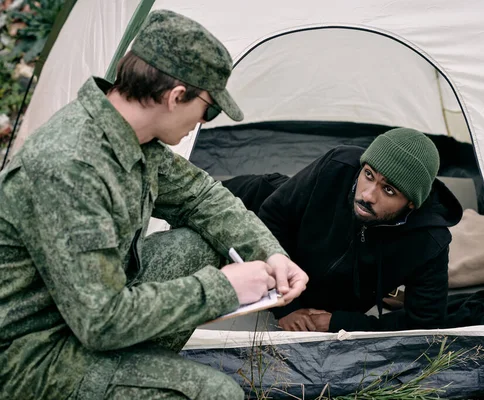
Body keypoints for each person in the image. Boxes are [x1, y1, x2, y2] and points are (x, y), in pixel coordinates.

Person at [0, 10, 308, 400]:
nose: (204, 120)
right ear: (176, 96)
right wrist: (223, 287)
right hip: (28, 353)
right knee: (216, 394)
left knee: (199, 243)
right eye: (209, 109)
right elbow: (101, 320)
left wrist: (269, 253)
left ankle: (137, 375)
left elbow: (202, 198)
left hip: (80, 316)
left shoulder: (133, 141)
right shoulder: (70, 164)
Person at [224, 128, 462, 332]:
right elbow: (271, 218)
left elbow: (425, 322)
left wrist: (339, 322)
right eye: (368, 175)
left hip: (319, 296)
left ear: (411, 203)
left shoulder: (429, 241)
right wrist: (287, 306)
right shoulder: (336, 166)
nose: (368, 195)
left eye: (388, 190)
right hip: (244, 205)